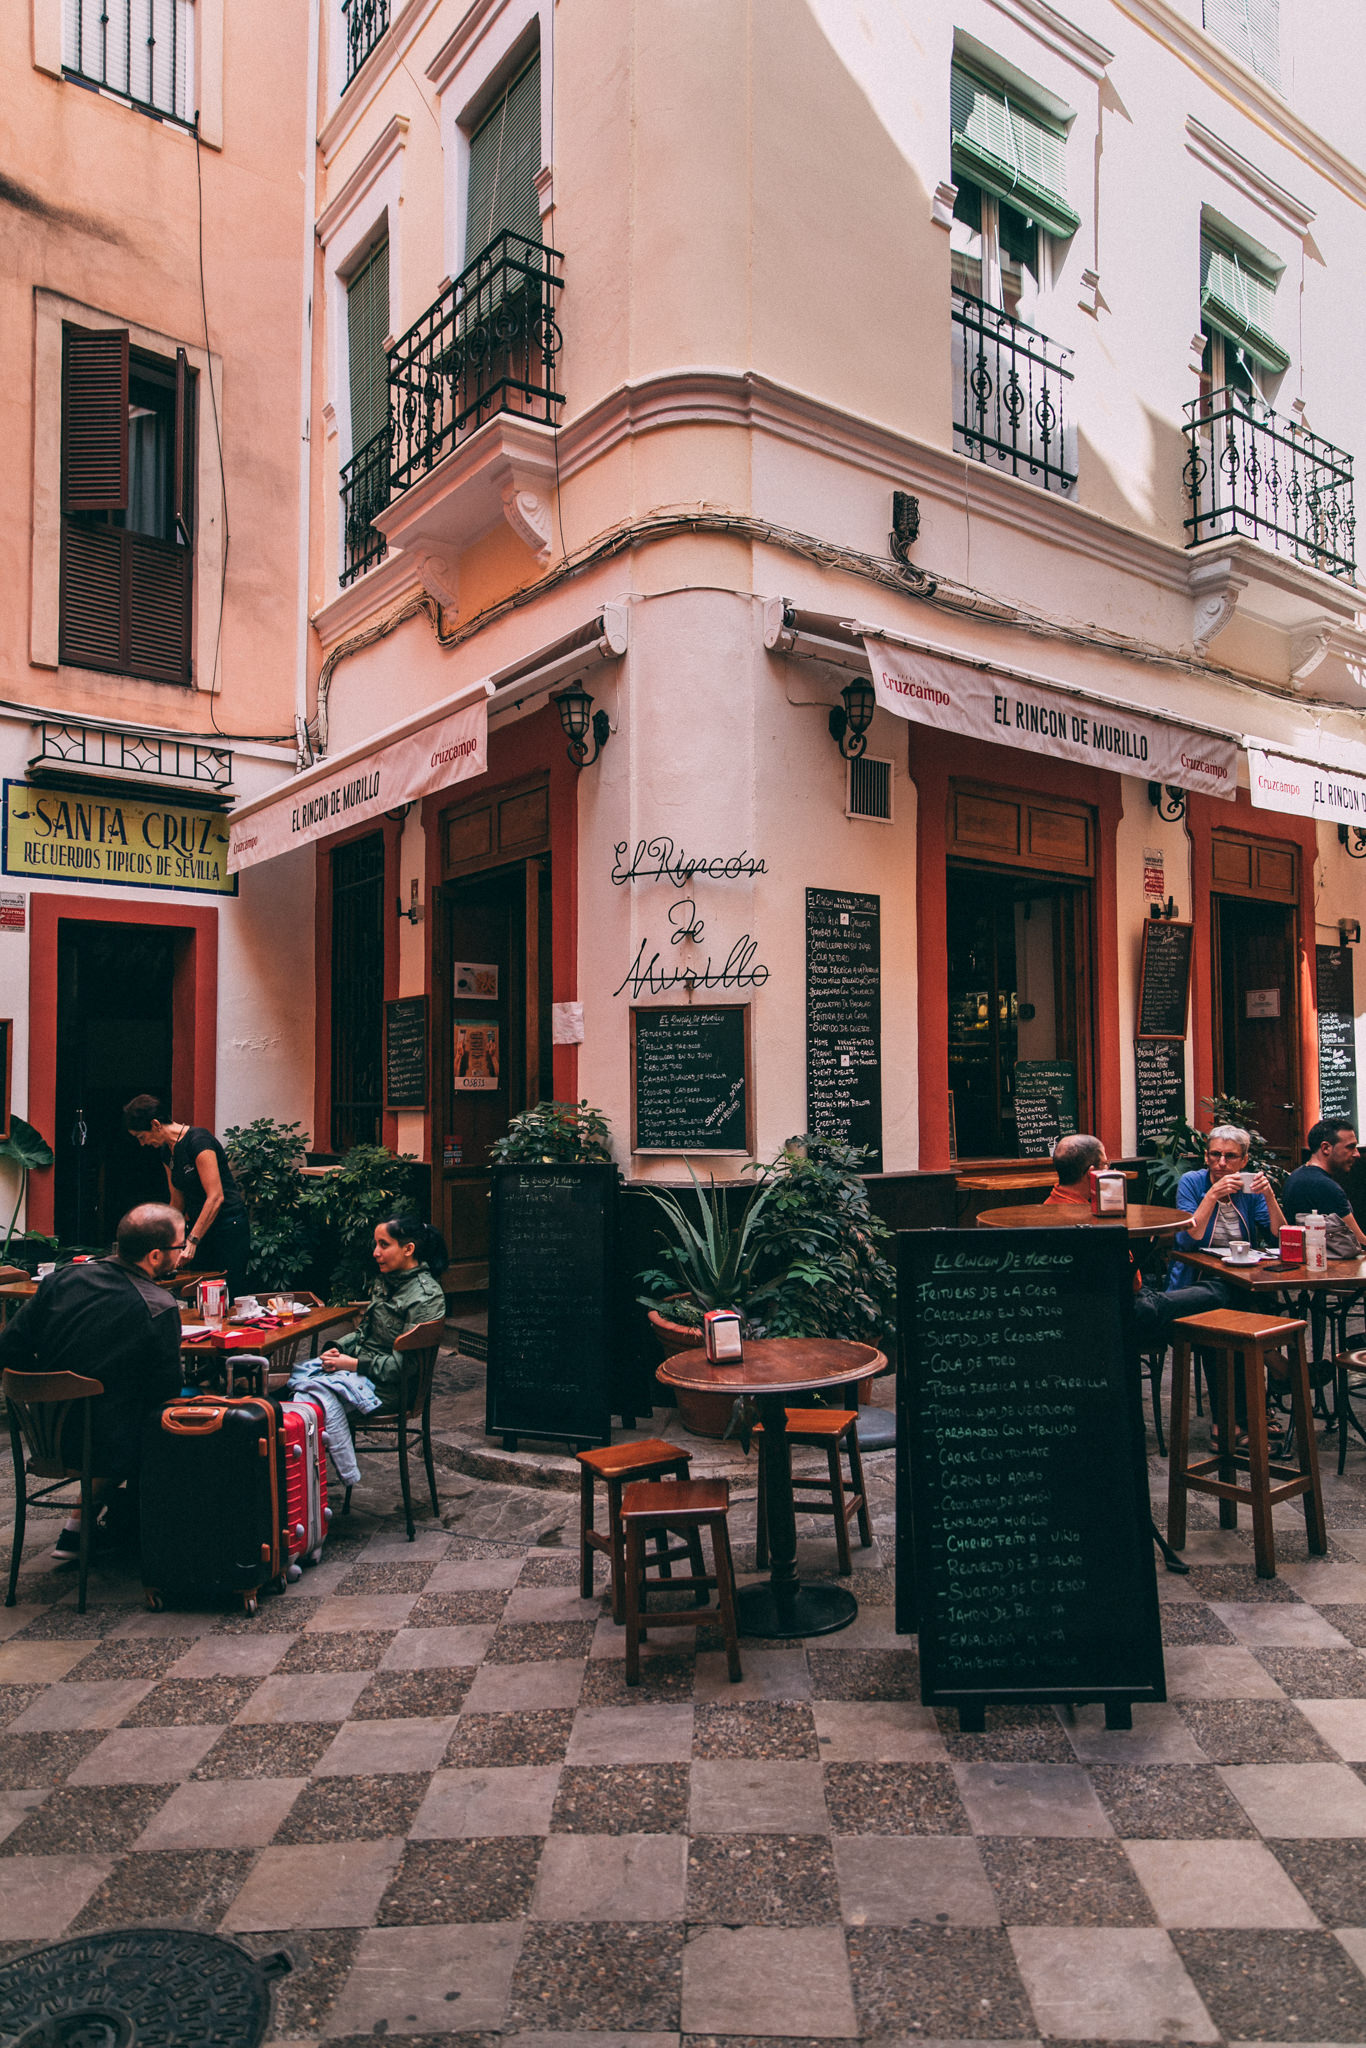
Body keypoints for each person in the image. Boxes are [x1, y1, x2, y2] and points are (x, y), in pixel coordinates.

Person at [0, 1204, 185, 1558]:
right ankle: (158, 1532)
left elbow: (9, 1348)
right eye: (181, 1245)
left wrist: (46, 1387)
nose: (184, 1252)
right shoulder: (158, 1305)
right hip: (108, 1446)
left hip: (45, 1439)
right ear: (156, 1254)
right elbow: (166, 1394)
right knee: (182, 1412)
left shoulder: (61, 1280)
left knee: (113, 1410)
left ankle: (78, 1530)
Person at [122, 1095, 252, 1300]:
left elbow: (216, 1196)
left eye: (141, 1136)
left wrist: (192, 1241)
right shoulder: (166, 1152)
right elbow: (177, 1202)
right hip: (200, 1229)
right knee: (199, 1292)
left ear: (155, 1124)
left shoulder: (199, 1141)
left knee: (227, 1293)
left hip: (228, 1225)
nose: (142, 1144)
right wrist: (163, 1238)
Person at [312, 1215, 447, 1410]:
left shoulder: (425, 1298)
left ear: (408, 1249)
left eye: (384, 1245)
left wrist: (353, 1364)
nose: (375, 1253)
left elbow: (404, 1367)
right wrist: (338, 1349)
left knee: (316, 1405)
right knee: (299, 1389)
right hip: (363, 1375)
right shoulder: (386, 1281)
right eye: (376, 1244)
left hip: (393, 1391)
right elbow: (364, 1333)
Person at [1169, 1125, 1286, 1288]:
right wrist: (1212, 1194)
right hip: (1196, 1278)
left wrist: (1269, 1196)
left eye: (1230, 1156)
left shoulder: (1250, 1187)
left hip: (1241, 1276)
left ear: (1244, 1161)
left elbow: (1280, 1240)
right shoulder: (1191, 1182)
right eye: (1216, 1154)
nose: (1222, 1163)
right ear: (1206, 1157)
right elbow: (1187, 1240)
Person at [1283, 1119, 1366, 1257]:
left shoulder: (1296, 1176)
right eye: (1350, 1147)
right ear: (1326, 1148)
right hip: (1327, 1268)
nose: (1357, 1154)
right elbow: (1359, 1241)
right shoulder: (1325, 1186)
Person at [1044, 1132, 1106, 1203]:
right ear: (1091, 1172)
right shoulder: (1080, 1212)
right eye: (1104, 1164)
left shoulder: (1050, 1202)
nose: (1106, 1170)